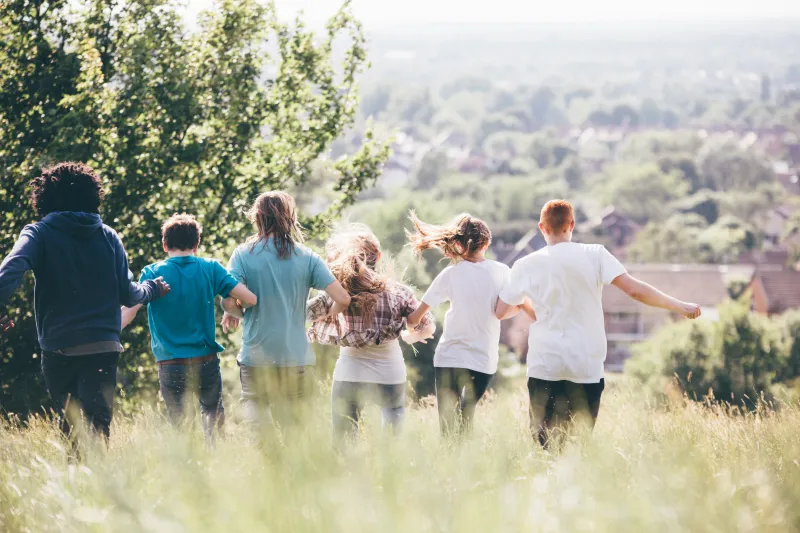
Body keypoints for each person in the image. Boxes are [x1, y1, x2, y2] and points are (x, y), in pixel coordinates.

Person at [496, 199, 701, 447]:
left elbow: (501, 311)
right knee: (577, 445)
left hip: (545, 365)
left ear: (542, 227)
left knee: (544, 446)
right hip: (586, 366)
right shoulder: (595, 254)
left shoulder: (525, 265)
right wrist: (680, 306)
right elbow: (635, 291)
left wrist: (528, 305)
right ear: (571, 225)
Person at [0, 162, 170, 441]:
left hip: (58, 347)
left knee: (70, 427)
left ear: (43, 199)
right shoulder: (108, 236)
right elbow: (129, 294)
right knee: (98, 428)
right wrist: (151, 289)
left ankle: (75, 481)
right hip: (102, 346)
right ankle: (94, 482)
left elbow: (8, 273)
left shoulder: (38, 233)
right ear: (93, 196)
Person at [120, 214, 257, 443]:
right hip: (206, 359)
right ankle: (218, 464)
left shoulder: (152, 272)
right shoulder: (210, 267)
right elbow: (249, 299)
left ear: (164, 244)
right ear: (196, 244)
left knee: (179, 424)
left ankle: (187, 471)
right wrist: (231, 307)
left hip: (170, 361)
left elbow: (130, 311)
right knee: (213, 415)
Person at [221, 191, 350, 429]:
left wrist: (236, 311)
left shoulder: (242, 255)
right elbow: (343, 298)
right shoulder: (307, 256)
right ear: (289, 218)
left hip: (256, 356)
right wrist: (316, 314)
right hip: (296, 358)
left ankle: (267, 457)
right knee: (296, 432)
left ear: (257, 218)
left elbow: (229, 298)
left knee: (256, 416)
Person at [406, 212, 533, 436]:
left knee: (447, 425)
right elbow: (511, 308)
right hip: (483, 359)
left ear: (458, 244)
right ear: (487, 242)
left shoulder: (450, 274)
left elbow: (415, 316)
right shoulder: (503, 272)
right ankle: (465, 464)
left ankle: (449, 467)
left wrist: (414, 328)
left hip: (449, 357)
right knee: (466, 417)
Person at [306, 224, 435, 442]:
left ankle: (347, 473)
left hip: (350, 370)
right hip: (389, 370)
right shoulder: (399, 292)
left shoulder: (339, 292)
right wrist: (410, 335)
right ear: (379, 256)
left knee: (343, 435)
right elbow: (427, 324)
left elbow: (305, 312)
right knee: (393, 432)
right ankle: (390, 472)